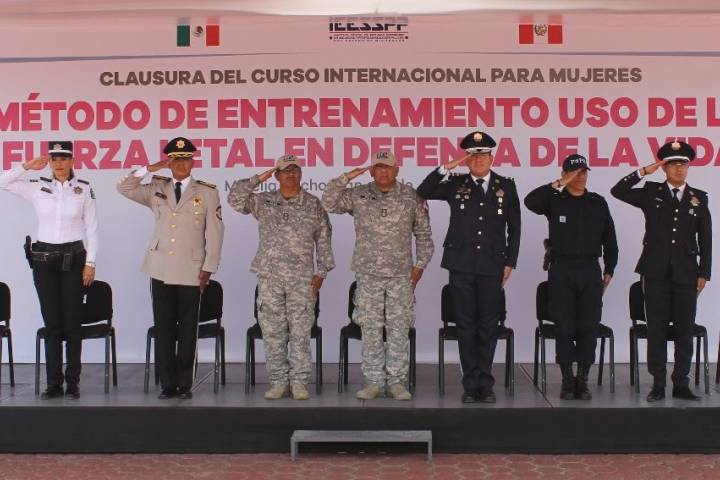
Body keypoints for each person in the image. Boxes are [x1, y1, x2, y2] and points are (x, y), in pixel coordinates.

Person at [417, 131, 520, 403]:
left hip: (492, 264)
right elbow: (422, 191)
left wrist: (511, 261)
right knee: (465, 324)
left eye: (483, 155)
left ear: (492, 157)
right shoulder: (456, 183)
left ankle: (484, 384)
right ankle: (469, 384)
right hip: (461, 264)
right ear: (466, 159)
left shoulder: (506, 186)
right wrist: (446, 167)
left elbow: (515, 227)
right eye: (473, 156)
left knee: (488, 324)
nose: (478, 160)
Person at [117, 137, 224, 400]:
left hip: (191, 268)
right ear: (169, 162)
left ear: (192, 161)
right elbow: (123, 187)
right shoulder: (156, 186)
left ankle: (185, 384)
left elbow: (217, 233)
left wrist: (209, 268)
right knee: (164, 327)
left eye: (186, 159)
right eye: (176, 160)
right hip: (160, 267)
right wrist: (150, 168)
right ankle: (168, 384)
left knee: (188, 329)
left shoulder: (207, 192)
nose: (181, 164)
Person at [322, 151, 433, 401]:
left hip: (400, 275)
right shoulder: (358, 194)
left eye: (388, 167)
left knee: (398, 329)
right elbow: (328, 202)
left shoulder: (410, 197)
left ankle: (396, 382)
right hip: (368, 273)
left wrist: (419, 267)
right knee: (370, 328)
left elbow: (424, 235)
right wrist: (346, 177)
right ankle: (373, 381)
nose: (383, 171)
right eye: (378, 167)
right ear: (371, 170)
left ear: (397, 169)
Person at [227, 154, 334, 400]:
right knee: (273, 332)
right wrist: (258, 178)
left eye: (295, 171)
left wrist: (321, 274)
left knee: (300, 332)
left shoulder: (313, 204)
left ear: (301, 174)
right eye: (285, 171)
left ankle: (298, 383)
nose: (291, 175)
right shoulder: (264, 201)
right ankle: (277, 381)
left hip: (302, 279)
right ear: (276, 175)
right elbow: (235, 198)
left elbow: (324, 240)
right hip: (270, 277)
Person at [611, 139, 711, 402]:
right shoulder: (651, 192)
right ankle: (658, 383)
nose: (679, 169)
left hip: (687, 274)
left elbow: (706, 239)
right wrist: (645, 171)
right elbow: (617, 190)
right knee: (655, 329)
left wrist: (704, 273)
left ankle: (681, 383)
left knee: (684, 330)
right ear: (664, 168)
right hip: (655, 272)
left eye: (683, 165)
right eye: (673, 164)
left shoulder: (698, 198)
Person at [0, 141, 98, 399]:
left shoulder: (83, 189)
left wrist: (91, 262)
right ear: (50, 161)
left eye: (64, 159)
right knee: (53, 323)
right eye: (55, 159)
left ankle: (73, 382)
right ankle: (54, 383)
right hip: (45, 260)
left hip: (74, 257)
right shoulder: (37, 187)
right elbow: (3, 182)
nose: (59, 164)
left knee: (73, 322)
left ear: (72, 160)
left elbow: (93, 228)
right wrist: (27, 166)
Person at [524, 153, 618, 400]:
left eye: (584, 172)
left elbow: (610, 238)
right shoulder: (555, 200)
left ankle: (583, 379)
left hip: (589, 269)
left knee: (589, 325)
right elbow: (530, 202)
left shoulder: (598, 202)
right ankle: (567, 379)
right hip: (562, 269)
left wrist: (610, 269)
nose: (580, 177)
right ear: (566, 174)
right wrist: (558, 183)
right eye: (575, 173)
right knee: (563, 326)